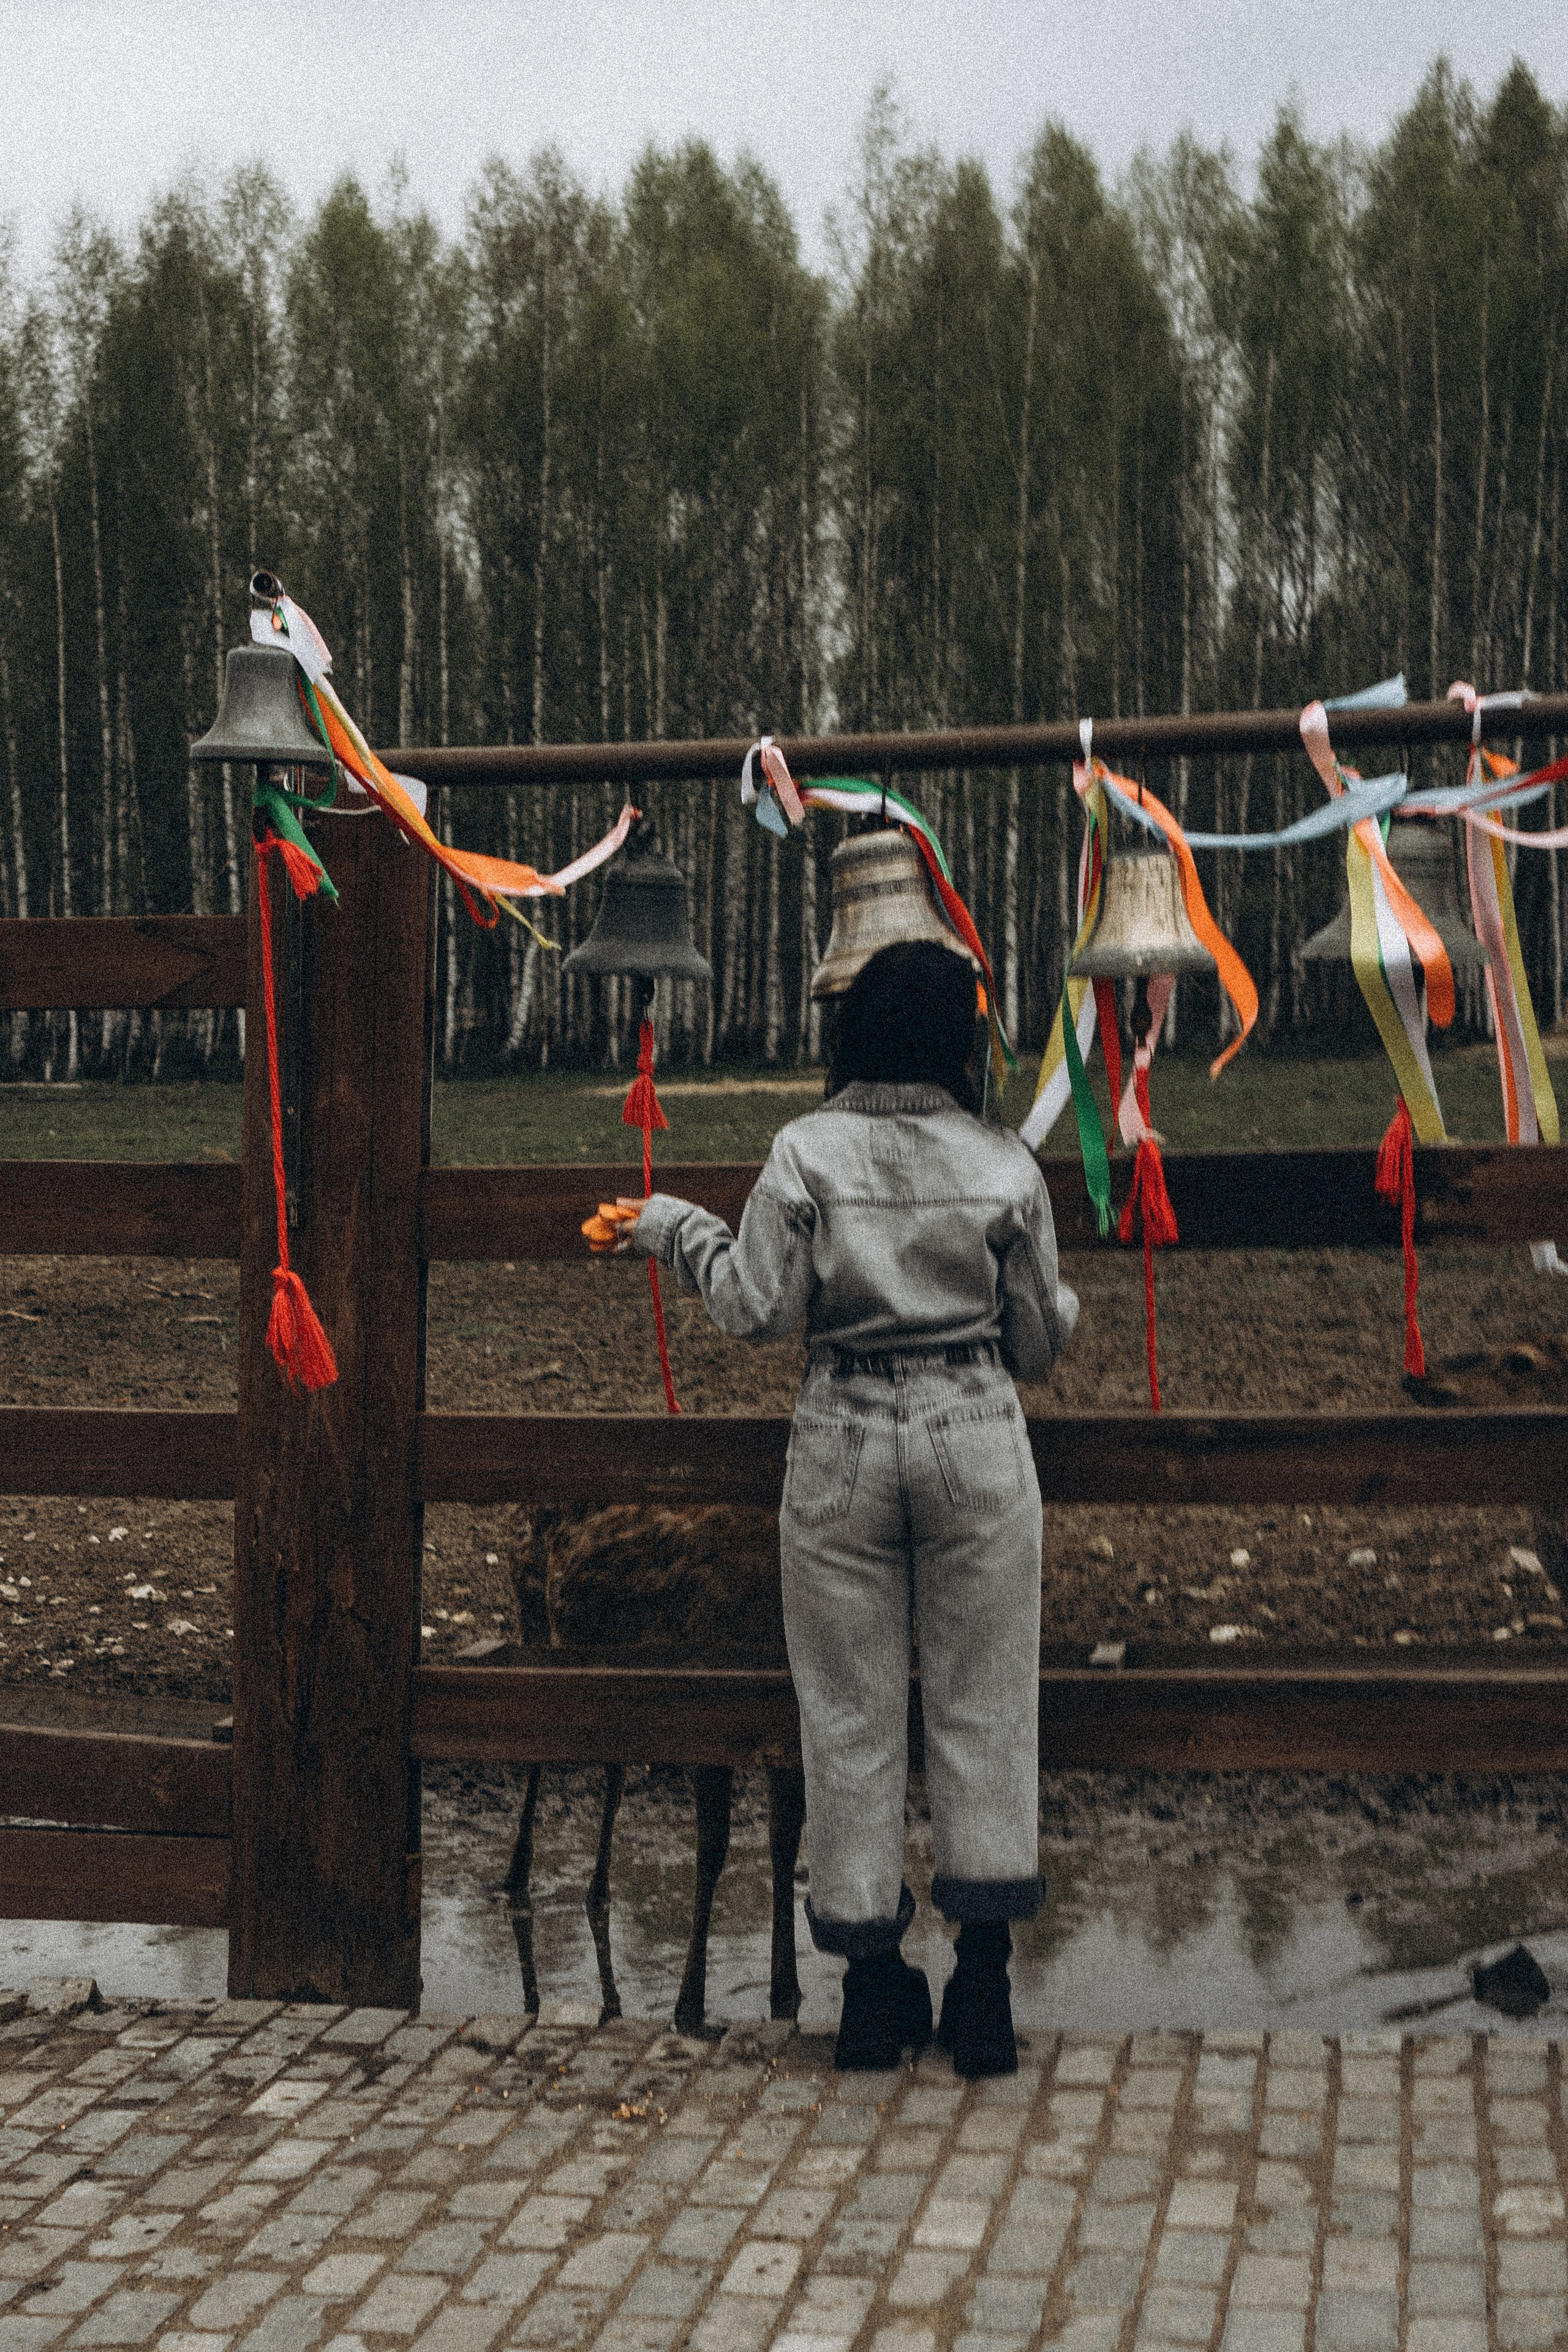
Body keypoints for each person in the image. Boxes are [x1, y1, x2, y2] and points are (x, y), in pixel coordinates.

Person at [612, 936, 1077, 2075]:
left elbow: (756, 1309)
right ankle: (981, 1991)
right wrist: (1058, 1298)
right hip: (974, 1436)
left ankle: (872, 1992)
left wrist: (677, 1228)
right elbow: (1037, 1346)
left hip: (841, 1442)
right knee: (984, 1707)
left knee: (851, 1721)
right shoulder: (1005, 1162)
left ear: (856, 1033)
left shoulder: (804, 1150)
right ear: (959, 1042)